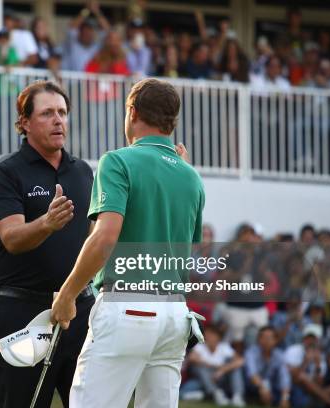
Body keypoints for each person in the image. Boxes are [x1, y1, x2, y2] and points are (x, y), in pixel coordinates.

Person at [51, 78, 204, 408]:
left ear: (132, 113)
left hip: (128, 305)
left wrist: (67, 294)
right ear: (172, 121)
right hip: (175, 314)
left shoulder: (117, 161)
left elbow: (105, 236)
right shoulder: (191, 176)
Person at [0, 80, 95, 408]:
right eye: (47, 113)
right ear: (25, 123)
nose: (58, 120)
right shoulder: (5, 173)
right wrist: (46, 224)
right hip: (21, 313)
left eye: (62, 112)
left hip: (78, 310)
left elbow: (94, 238)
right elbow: (12, 239)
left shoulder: (83, 172)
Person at [244, 326, 291, 407]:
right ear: (258, 340)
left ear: (276, 340)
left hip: (271, 388)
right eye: (263, 337)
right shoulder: (251, 352)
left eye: (269, 338)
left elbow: (285, 377)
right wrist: (262, 387)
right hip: (251, 387)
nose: (266, 341)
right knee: (265, 384)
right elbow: (252, 374)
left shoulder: (279, 355)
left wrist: (285, 398)